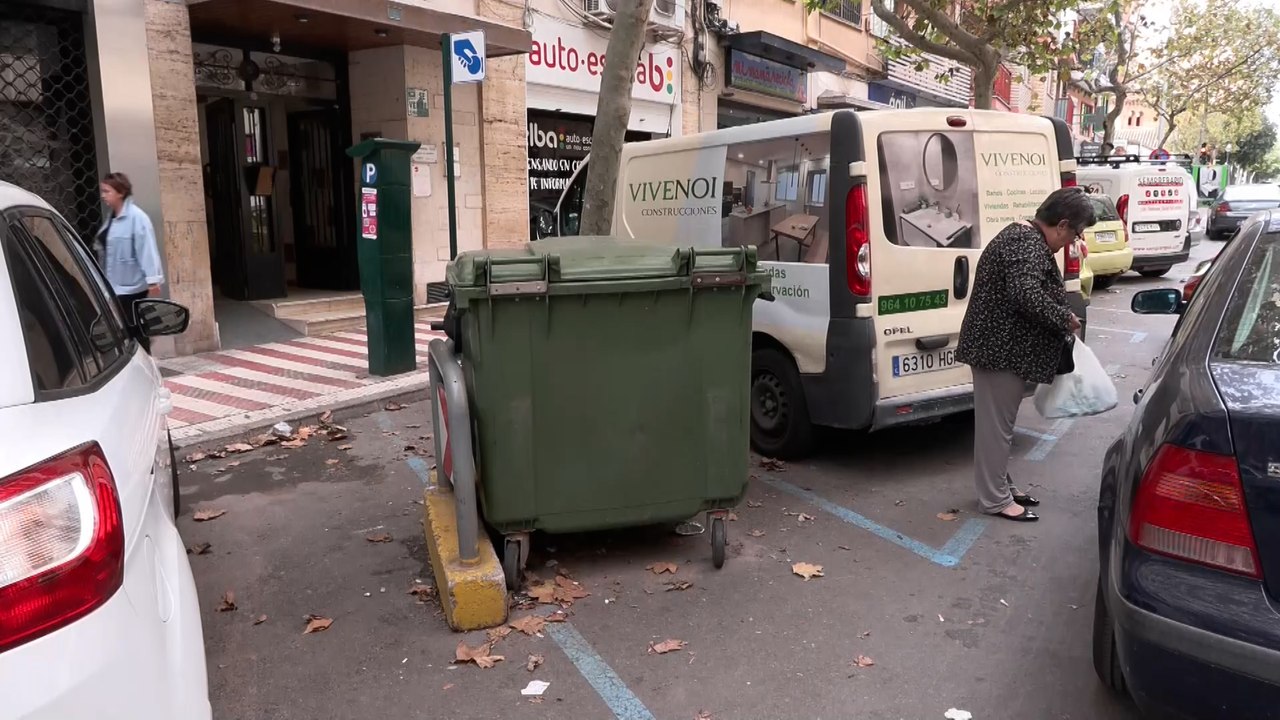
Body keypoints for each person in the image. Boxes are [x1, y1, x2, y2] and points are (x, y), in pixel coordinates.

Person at [955, 188, 1095, 522]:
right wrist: (1064, 318)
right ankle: (994, 499)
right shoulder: (1025, 243)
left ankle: (1001, 484)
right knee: (995, 428)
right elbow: (1026, 293)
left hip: (1003, 349)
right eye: (1076, 233)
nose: (1073, 241)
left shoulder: (1024, 237)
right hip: (997, 351)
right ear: (1061, 225)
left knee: (1000, 426)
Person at [97, 172, 164, 352]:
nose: (103, 195)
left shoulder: (137, 218)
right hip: (114, 287)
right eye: (102, 191)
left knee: (136, 331)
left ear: (120, 192)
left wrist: (153, 280)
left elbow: (147, 250)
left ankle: (145, 362)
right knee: (124, 332)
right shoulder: (112, 218)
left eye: (107, 191)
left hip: (131, 288)